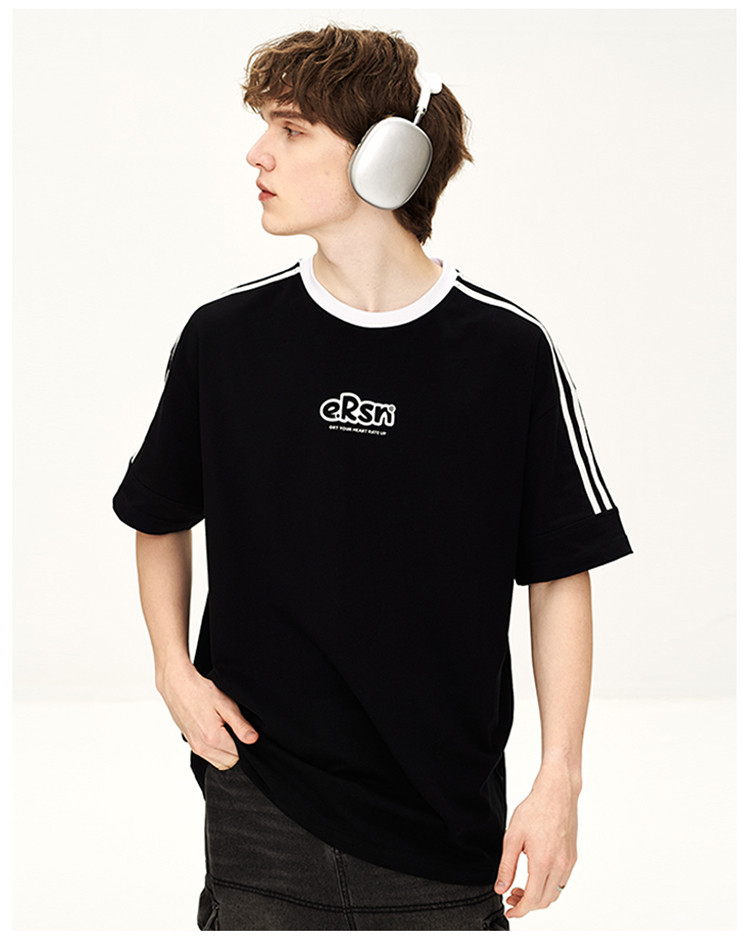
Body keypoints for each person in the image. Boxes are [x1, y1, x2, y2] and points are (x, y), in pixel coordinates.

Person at [113, 25, 632, 931]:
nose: (257, 153)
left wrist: (561, 780)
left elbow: (559, 573)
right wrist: (173, 673)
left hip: (444, 823)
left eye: (291, 130)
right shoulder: (226, 340)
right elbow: (158, 513)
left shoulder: (509, 352)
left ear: (386, 158)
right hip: (260, 801)